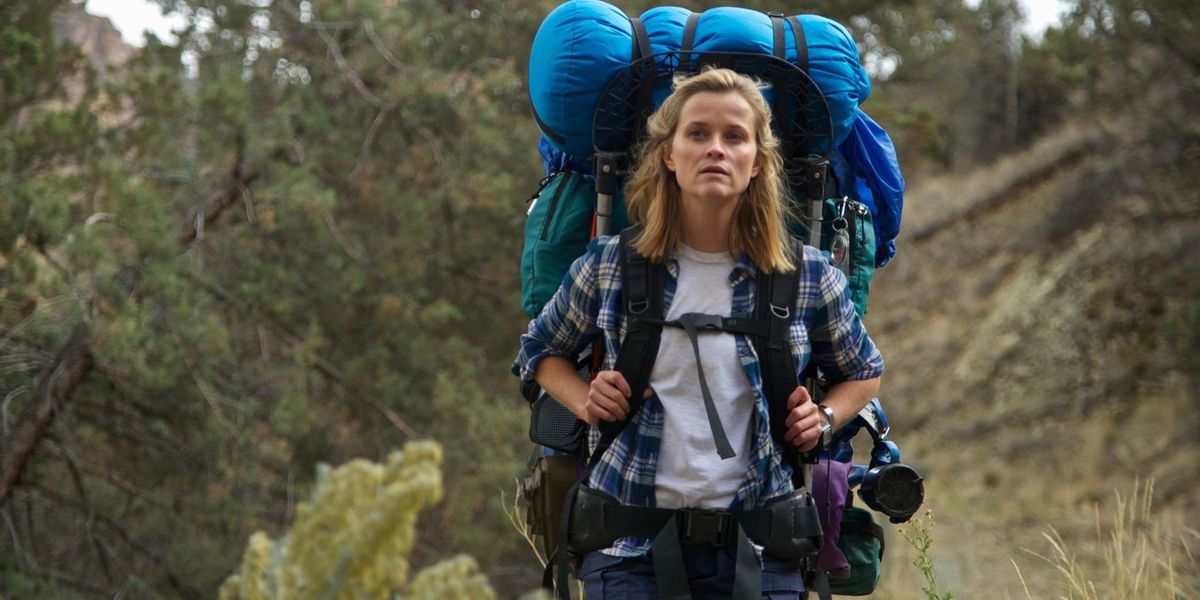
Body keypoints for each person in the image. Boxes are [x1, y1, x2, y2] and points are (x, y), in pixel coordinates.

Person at [514, 68, 884, 599]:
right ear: (669, 154)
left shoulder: (807, 275)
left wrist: (823, 417)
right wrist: (585, 399)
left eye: (734, 136)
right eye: (698, 133)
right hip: (628, 550)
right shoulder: (610, 266)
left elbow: (864, 372)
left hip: (761, 551)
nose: (716, 148)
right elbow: (539, 352)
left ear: (758, 160)